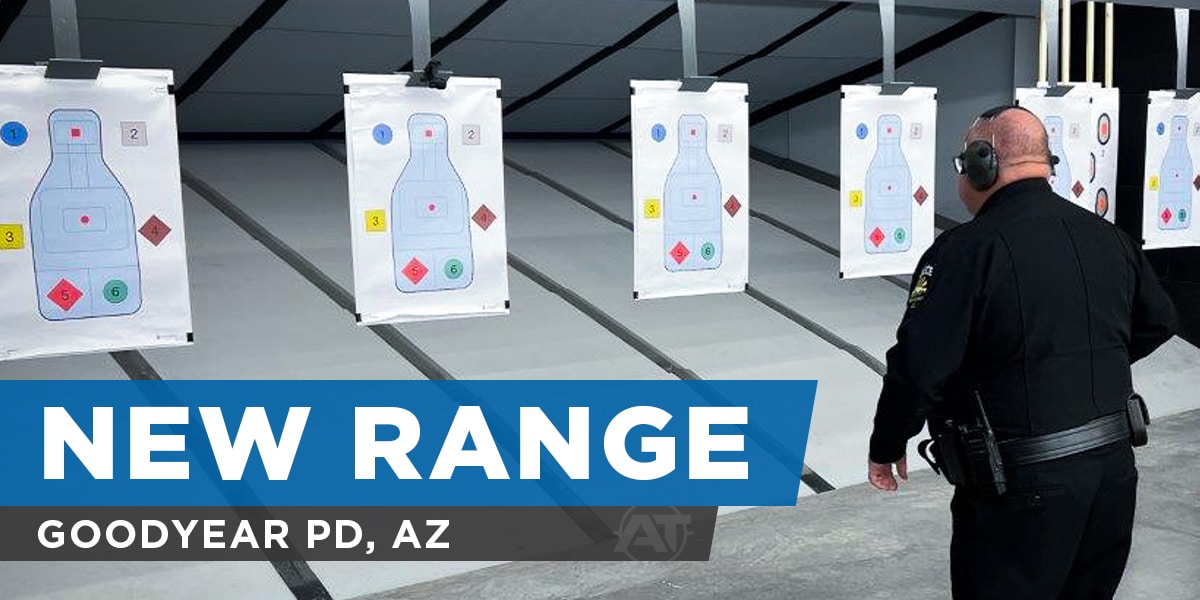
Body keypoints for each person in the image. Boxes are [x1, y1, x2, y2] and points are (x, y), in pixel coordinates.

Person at [866, 105, 1178, 599]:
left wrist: (886, 444)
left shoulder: (966, 250)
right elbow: (1160, 320)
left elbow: (919, 366)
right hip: (1113, 475)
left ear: (982, 163)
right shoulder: (1109, 238)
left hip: (1020, 487)